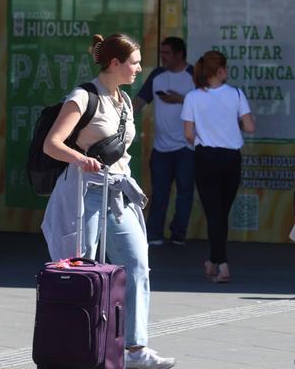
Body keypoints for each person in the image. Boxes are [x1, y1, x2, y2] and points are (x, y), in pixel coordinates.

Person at [40, 33, 176, 368]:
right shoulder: (83, 97)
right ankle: (75, 343)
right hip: (84, 193)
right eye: (134, 63)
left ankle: (135, 349)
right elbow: (52, 143)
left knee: (137, 265)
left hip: (117, 193)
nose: (139, 69)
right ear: (114, 63)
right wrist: (79, 158)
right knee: (79, 269)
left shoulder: (126, 101)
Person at [181, 51, 255, 283]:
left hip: (206, 157)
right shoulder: (236, 94)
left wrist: (204, 141)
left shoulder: (192, 97)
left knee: (214, 212)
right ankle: (217, 262)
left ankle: (218, 263)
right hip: (231, 157)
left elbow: (188, 134)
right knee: (221, 212)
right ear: (221, 71)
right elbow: (250, 127)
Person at [133, 37, 196, 246]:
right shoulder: (158, 75)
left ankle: (179, 233)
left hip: (187, 145)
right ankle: (154, 233)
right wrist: (120, 118)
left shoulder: (193, 74)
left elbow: (206, 105)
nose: (163, 57)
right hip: (161, 147)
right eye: (162, 52)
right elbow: (139, 101)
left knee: (185, 193)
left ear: (179, 54)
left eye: (167, 53)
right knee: (159, 192)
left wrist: (181, 99)